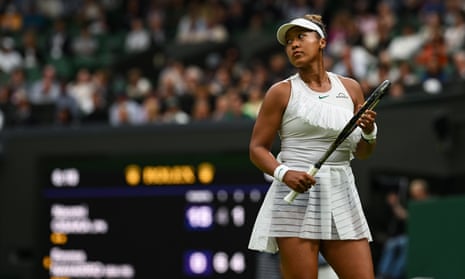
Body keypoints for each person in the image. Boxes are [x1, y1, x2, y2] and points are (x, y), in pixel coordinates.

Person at [248, 14, 379, 279]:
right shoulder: (281, 92)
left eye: (301, 37)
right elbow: (257, 149)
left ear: (321, 42)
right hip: (295, 198)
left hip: (342, 195)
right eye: (288, 42)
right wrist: (285, 173)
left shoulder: (351, 88)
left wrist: (368, 132)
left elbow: (363, 153)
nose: (294, 45)